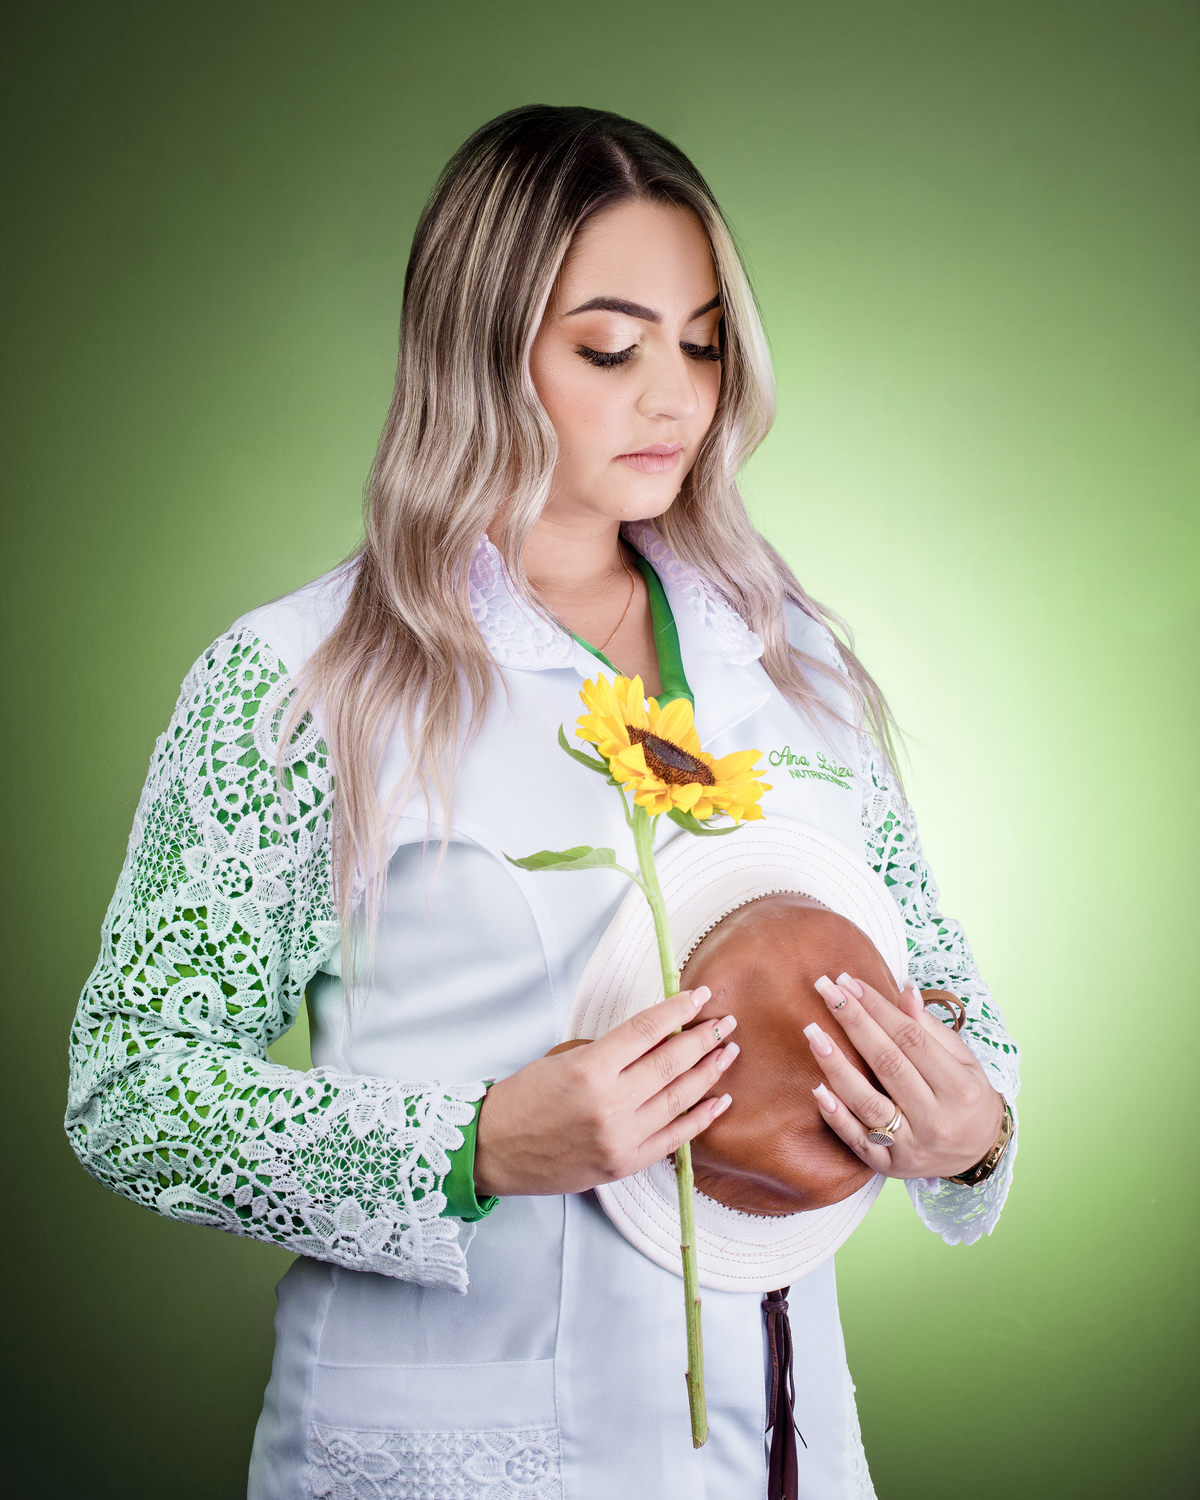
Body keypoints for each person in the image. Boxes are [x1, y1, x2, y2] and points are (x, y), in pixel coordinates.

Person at [65, 105, 1020, 1500]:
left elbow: (951, 1009)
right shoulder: (303, 684)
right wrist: (473, 1146)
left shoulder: (791, 667)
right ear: (477, 349)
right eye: (611, 349)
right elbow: (131, 1086)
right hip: (449, 1450)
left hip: (780, 1448)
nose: (676, 400)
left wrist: (969, 1129)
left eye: (704, 345)